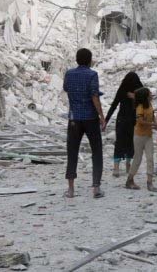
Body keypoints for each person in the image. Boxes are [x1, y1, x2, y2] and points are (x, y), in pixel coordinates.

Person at [63, 48, 105, 199]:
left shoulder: (69, 74)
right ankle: (96, 187)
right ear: (90, 60)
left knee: (72, 151)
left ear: (76, 59)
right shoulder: (92, 74)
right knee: (96, 151)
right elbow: (94, 96)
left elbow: (66, 89)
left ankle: (71, 189)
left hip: (74, 118)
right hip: (90, 118)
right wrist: (101, 116)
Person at [104, 72, 143, 177]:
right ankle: (126, 166)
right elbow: (115, 104)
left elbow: (114, 105)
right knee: (129, 143)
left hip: (125, 120)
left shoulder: (127, 89)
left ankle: (119, 167)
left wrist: (106, 121)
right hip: (131, 121)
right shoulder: (131, 90)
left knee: (121, 143)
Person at [126, 87, 157, 191]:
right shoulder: (140, 107)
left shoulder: (150, 105)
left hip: (148, 136)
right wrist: (153, 124)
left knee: (150, 158)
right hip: (139, 136)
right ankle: (130, 179)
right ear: (145, 96)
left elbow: (153, 117)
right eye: (149, 93)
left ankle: (149, 182)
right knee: (137, 159)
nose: (151, 94)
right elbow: (140, 121)